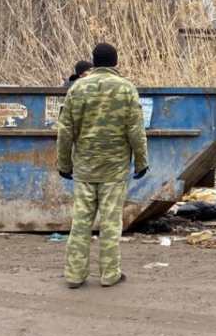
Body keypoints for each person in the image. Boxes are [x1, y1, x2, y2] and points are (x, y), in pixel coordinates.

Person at [55, 42, 149, 289]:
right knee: (110, 222)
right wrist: (141, 162)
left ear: (94, 63)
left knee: (81, 222)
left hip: (85, 169)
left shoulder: (77, 89)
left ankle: (75, 275)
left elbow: (65, 131)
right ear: (116, 62)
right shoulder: (126, 89)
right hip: (114, 169)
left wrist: (63, 163)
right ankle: (109, 275)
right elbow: (136, 131)